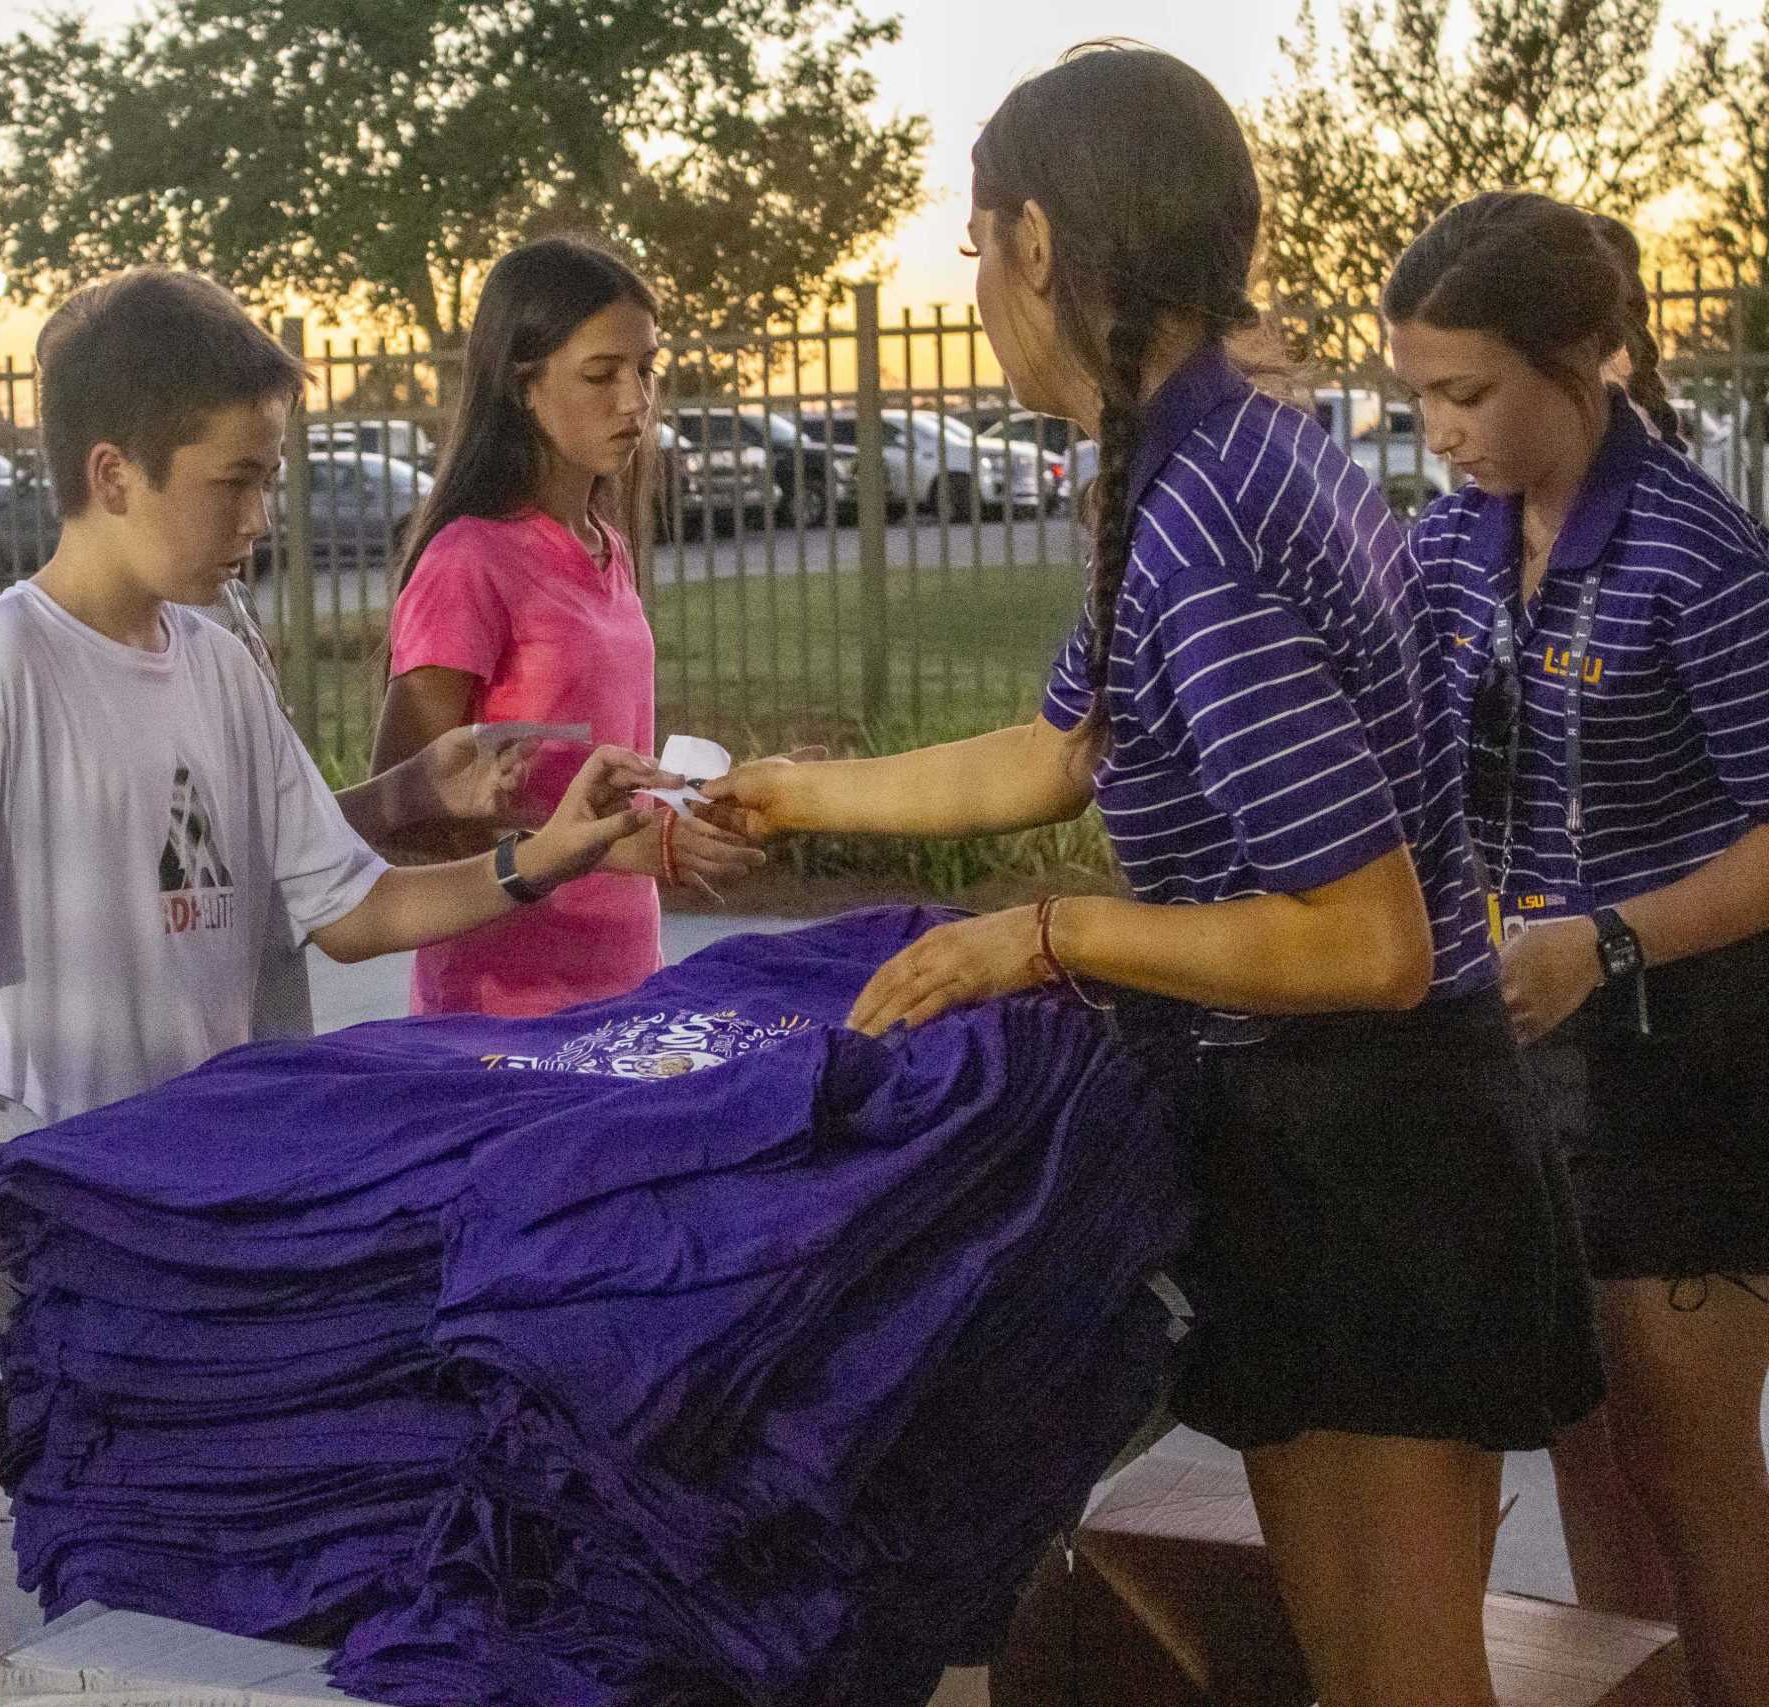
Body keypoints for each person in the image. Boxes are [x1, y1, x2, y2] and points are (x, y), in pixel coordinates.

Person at [704, 46, 1601, 1707]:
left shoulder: (1204, 517)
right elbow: (1055, 755)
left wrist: (1041, 937)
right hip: (1332, 1142)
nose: (972, 290)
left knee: (1402, 1682)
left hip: (1376, 1154)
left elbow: (1370, 938)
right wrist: (787, 795)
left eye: (974, 250)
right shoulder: (1189, 464)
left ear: (1039, 244)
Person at [0, 268, 665, 1453]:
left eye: (270, 480)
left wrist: (545, 859)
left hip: (231, 1209)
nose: (260, 515)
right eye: (236, 481)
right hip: (71, 1228)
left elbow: (350, 907)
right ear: (114, 475)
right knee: (96, 1546)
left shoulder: (217, 666)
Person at [1389, 190, 1769, 1707]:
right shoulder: (1450, 546)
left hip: (1688, 1061)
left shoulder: (1702, 553)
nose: (1440, 430)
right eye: (1415, 394)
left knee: (1695, 1474)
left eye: (1467, 392)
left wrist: (1607, 942)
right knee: (1589, 1460)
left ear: (1589, 358)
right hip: (1523, 1053)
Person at [372, 236, 762, 1018]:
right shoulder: (468, 561)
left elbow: (595, 766)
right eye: (601, 374)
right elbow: (402, 815)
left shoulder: (604, 544)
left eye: (646, 370)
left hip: (623, 988)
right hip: (501, 1010)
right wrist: (630, 848)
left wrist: (721, 797)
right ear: (522, 385)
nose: (636, 402)